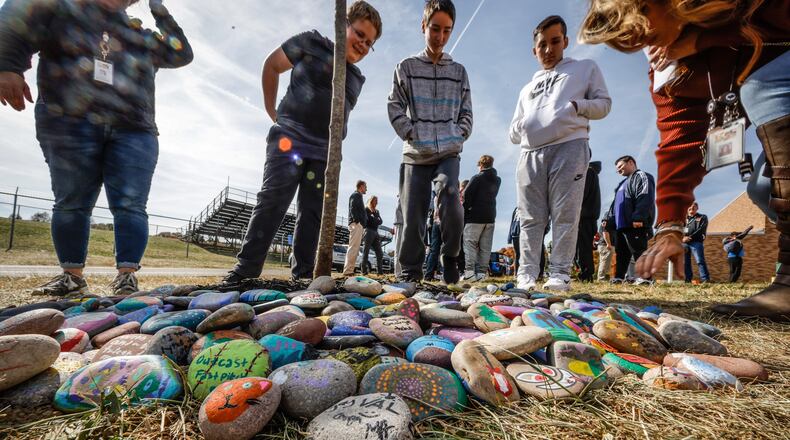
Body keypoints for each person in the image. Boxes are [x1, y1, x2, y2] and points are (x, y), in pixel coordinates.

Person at [579, 0, 789, 320]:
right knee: (764, 188)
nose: (645, 42)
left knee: (763, 88)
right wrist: (670, 226)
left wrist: (706, 39)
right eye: (630, 42)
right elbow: (678, 139)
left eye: (643, 20)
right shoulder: (665, 61)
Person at [0, 0, 192, 296]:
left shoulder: (139, 34)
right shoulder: (63, 9)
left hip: (134, 127)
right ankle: (71, 275)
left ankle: (127, 276)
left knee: (131, 204)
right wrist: (8, 65)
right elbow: (17, 16)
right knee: (72, 200)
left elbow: (181, 53)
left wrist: (160, 10)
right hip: (69, 118)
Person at [222, 1, 382, 284]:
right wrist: (273, 113)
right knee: (273, 199)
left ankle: (303, 276)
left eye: (369, 43)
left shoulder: (357, 78)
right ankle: (245, 271)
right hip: (290, 141)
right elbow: (272, 66)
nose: (363, 45)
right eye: (359, 34)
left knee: (312, 213)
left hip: (324, 154)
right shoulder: (311, 43)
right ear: (343, 25)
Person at [509, 15, 611, 291]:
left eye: (555, 42)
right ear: (534, 50)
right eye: (542, 44)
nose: (548, 49)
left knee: (565, 213)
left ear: (565, 41)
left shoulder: (584, 68)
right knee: (530, 218)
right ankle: (527, 274)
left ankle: (559, 273)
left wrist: (576, 106)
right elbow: (513, 130)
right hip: (530, 154)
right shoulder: (527, 88)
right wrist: (523, 127)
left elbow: (603, 104)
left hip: (570, 145)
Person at [388, 0, 472, 284]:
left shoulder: (459, 71)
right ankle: (411, 274)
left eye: (447, 30)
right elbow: (394, 105)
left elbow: (467, 113)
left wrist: (459, 133)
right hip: (415, 153)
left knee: (449, 193)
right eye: (435, 29)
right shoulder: (406, 67)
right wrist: (409, 131)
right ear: (423, 26)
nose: (440, 37)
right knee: (413, 214)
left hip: (448, 151)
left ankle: (450, 257)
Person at [602, 156, 655, 285]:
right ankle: (619, 277)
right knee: (622, 253)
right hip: (621, 225)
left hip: (635, 223)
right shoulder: (622, 184)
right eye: (617, 169)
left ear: (631, 162)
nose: (619, 170)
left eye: (620, 166)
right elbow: (615, 205)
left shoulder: (642, 176)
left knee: (639, 250)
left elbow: (644, 196)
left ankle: (646, 278)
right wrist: (608, 220)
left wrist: (638, 216)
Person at [462, 155, 501, 281]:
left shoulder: (477, 178)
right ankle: (481, 274)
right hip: (490, 216)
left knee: (470, 243)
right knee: (485, 246)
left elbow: (466, 195)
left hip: (475, 216)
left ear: (481, 165)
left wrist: (467, 209)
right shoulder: (497, 179)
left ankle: (469, 272)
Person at [576, 160, 601, 282]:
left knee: (583, 247)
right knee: (585, 247)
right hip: (590, 217)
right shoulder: (594, 175)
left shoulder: (588, 173)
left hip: (584, 217)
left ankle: (586, 273)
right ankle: (587, 273)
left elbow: (581, 194)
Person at [344, 180, 368, 276]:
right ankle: (348, 271)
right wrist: (357, 221)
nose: (366, 189)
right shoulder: (356, 195)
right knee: (353, 247)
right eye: (365, 186)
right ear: (361, 186)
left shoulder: (358, 196)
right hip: (356, 224)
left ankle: (350, 270)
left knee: (355, 247)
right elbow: (353, 208)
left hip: (357, 224)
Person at [683, 201, 710, 283]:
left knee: (700, 261)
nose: (692, 209)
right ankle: (688, 280)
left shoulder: (702, 217)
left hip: (696, 242)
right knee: (685, 262)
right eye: (690, 208)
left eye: (694, 208)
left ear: (697, 208)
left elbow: (701, 229)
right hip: (684, 243)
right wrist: (682, 238)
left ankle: (705, 279)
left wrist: (689, 237)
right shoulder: (683, 219)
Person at [361, 196, 384, 275]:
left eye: (377, 201)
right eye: (375, 201)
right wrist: (375, 220)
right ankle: (364, 271)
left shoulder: (377, 211)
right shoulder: (366, 209)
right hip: (368, 231)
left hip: (375, 232)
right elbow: (370, 221)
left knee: (380, 253)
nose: (377, 202)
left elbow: (381, 221)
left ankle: (380, 272)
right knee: (366, 251)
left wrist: (375, 219)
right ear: (371, 201)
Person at [425, 192, 442, 280]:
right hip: (445, 223)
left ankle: (429, 275)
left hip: (436, 222)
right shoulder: (451, 194)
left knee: (434, 250)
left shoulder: (436, 196)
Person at [508, 207, 521, 273]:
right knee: (517, 255)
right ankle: (516, 274)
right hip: (515, 235)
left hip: (524, 234)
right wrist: (509, 237)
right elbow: (512, 223)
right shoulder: (516, 209)